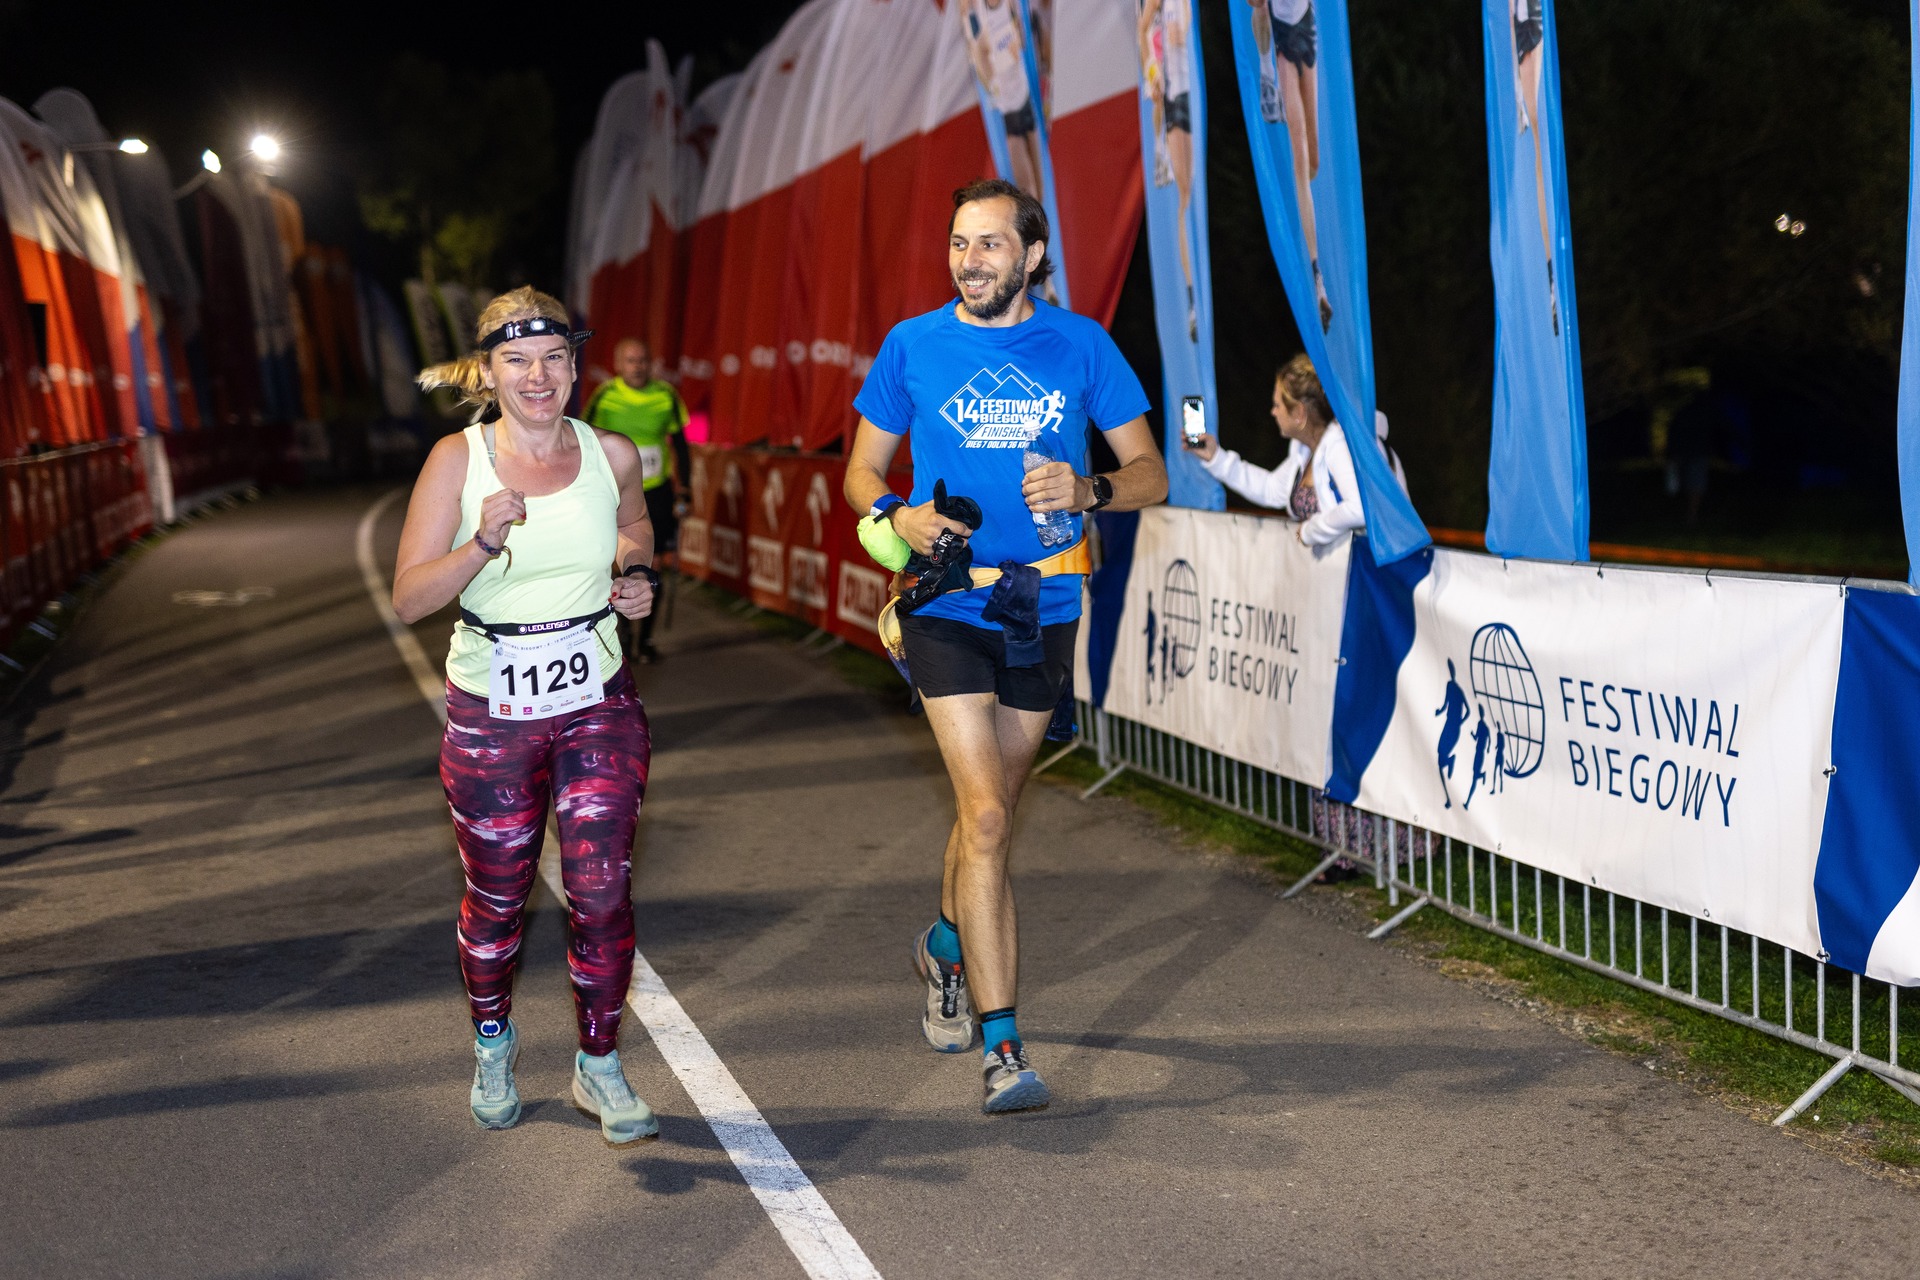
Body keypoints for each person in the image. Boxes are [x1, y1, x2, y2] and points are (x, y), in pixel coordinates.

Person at [844, 178, 1167, 1113]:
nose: (969, 260)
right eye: (958, 242)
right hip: (945, 602)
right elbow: (860, 468)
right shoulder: (913, 344)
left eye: (988, 243)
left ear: (1032, 255)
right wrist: (896, 513)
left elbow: (1151, 472)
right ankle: (1005, 1049)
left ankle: (944, 946)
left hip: (1046, 605)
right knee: (984, 817)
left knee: (995, 812)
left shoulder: (1082, 344)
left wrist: (1089, 490)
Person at [392, 286, 662, 1145]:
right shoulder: (456, 460)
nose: (537, 376)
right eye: (516, 360)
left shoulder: (611, 452)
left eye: (552, 358)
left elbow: (636, 525)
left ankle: (599, 1062)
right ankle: (493, 1041)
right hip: (492, 711)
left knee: (600, 887)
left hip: (597, 696)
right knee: (499, 893)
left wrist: (636, 573)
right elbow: (408, 600)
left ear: (575, 365)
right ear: (489, 371)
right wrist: (480, 542)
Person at [1189, 353, 1404, 547]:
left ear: (1299, 413)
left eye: (1278, 405)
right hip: (1339, 573)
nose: (1273, 412)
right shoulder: (1306, 452)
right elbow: (1269, 489)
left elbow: (1359, 509)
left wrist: (1311, 532)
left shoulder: (1341, 445)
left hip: (1369, 571)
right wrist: (1215, 458)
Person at [582, 336, 690, 662]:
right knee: (620, 562)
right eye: (630, 361)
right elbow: (583, 441)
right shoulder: (605, 396)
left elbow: (681, 445)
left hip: (656, 490)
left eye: (642, 360)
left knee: (652, 564)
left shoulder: (666, 395)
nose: (637, 366)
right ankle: (625, 636)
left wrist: (685, 489)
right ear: (618, 365)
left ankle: (646, 639)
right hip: (615, 492)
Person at [1140, 0, 1199, 342]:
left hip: (1194, 90)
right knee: (1186, 197)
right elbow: (1142, 29)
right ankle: (1192, 298)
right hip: (1175, 93)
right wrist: (1151, 67)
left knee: (1194, 194)